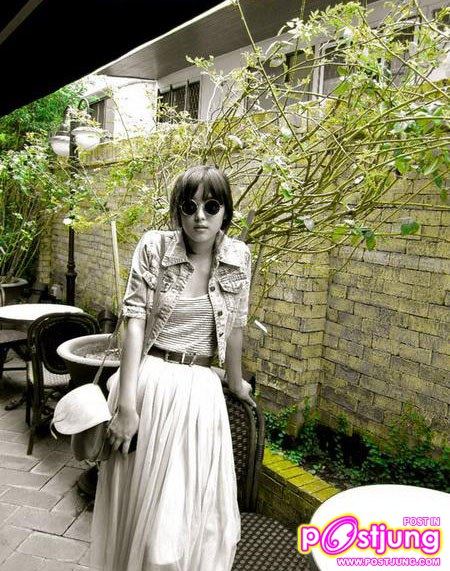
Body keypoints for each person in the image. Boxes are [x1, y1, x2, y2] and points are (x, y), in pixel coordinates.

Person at [91, 165, 255, 571]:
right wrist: (126, 406)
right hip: (151, 386)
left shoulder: (239, 257)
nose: (200, 216)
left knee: (187, 522)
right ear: (177, 210)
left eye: (211, 206)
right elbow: (134, 321)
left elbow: (236, 326)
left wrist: (236, 383)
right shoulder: (155, 247)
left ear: (225, 211)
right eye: (189, 206)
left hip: (200, 398)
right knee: (142, 519)